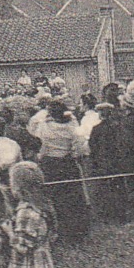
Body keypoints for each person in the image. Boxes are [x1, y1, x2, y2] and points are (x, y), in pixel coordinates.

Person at [30, 101, 90, 242]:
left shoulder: (43, 126)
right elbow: (79, 149)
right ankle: (74, 231)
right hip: (67, 163)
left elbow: (40, 146)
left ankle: (53, 230)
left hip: (49, 164)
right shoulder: (72, 126)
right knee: (71, 198)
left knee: (51, 198)